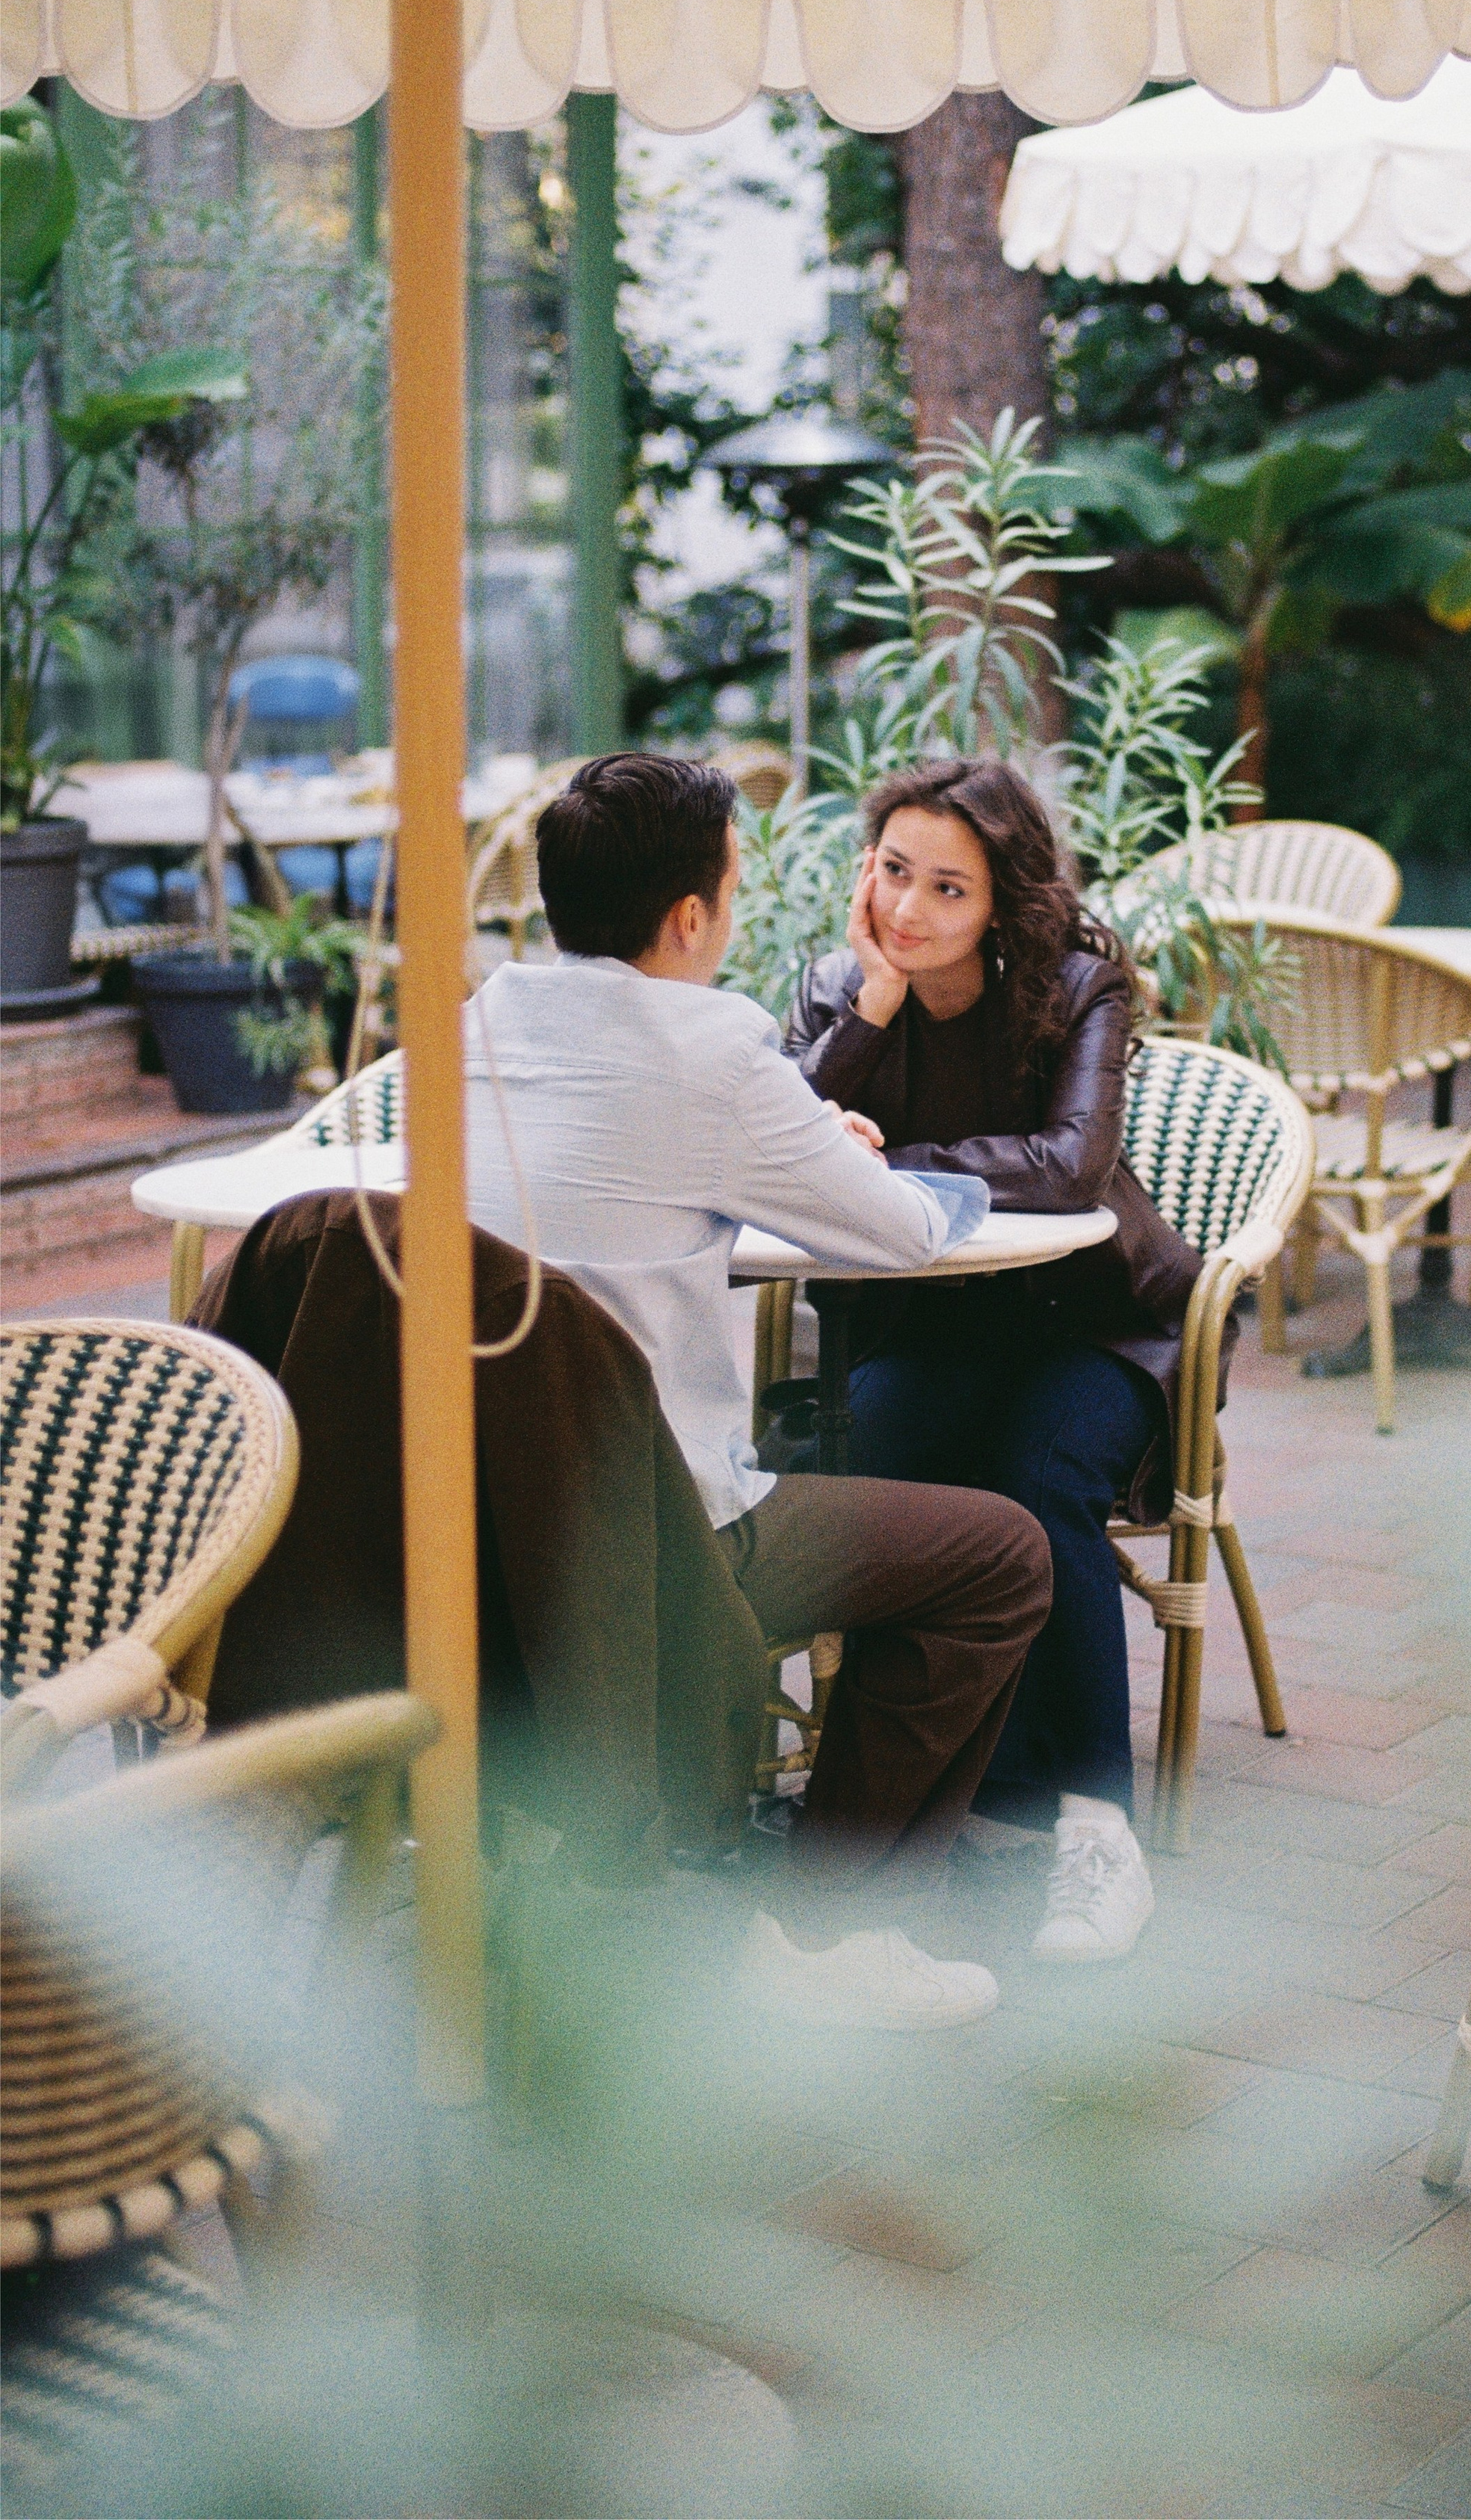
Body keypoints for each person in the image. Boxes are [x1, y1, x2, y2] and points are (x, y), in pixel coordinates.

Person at [461, 752, 1053, 2033]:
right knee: (998, 1557)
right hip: (657, 1553)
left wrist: (780, 1139)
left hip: (471, 1542)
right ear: (692, 918)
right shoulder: (716, 1046)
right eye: (731, 888)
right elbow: (900, 1233)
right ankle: (825, 1933)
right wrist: (812, 1147)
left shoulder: (480, 1024)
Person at [786, 759, 1209, 1965]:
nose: (911, 910)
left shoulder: (1079, 988)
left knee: (1038, 1479)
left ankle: (1096, 1833)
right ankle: (900, 1803)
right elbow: (779, 1140)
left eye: (948, 889)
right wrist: (868, 1009)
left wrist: (892, 1157)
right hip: (929, 1325)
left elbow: (1072, 1165)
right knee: (863, 1467)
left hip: (1091, 1322)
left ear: (1003, 899)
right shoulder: (838, 987)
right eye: (895, 873)